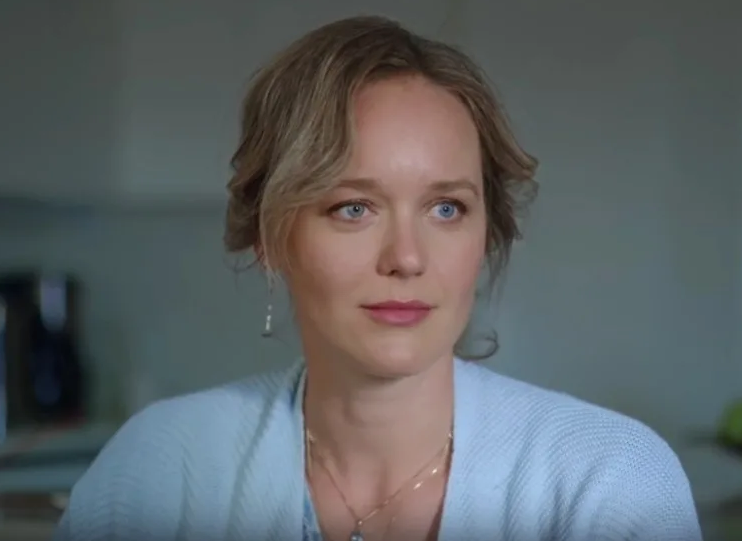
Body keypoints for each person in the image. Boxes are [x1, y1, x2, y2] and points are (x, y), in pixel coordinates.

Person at [54, 15, 702, 541]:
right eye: (353, 208)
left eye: (446, 208)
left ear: (487, 234)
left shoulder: (607, 482)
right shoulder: (160, 469)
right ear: (269, 237)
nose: (407, 258)